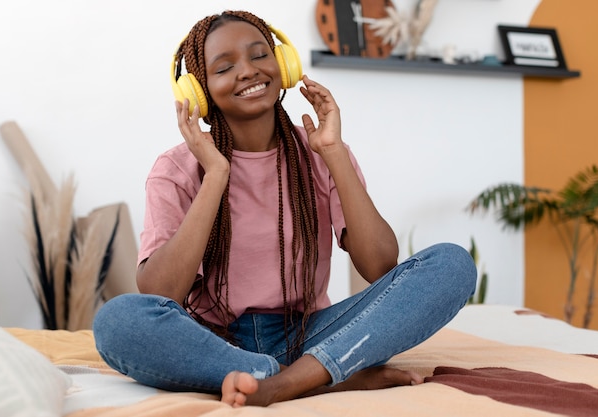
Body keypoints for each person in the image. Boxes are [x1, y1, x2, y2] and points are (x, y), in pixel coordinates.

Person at [93, 10, 476, 408]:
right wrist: (216, 175)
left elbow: (380, 264)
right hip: (214, 340)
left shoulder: (320, 151)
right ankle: (318, 377)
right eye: (225, 67)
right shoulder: (177, 168)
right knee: (117, 321)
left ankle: (281, 382)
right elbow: (161, 292)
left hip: (310, 333)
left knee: (451, 264)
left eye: (260, 55)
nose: (247, 71)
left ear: (284, 65)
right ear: (198, 90)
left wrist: (333, 154)